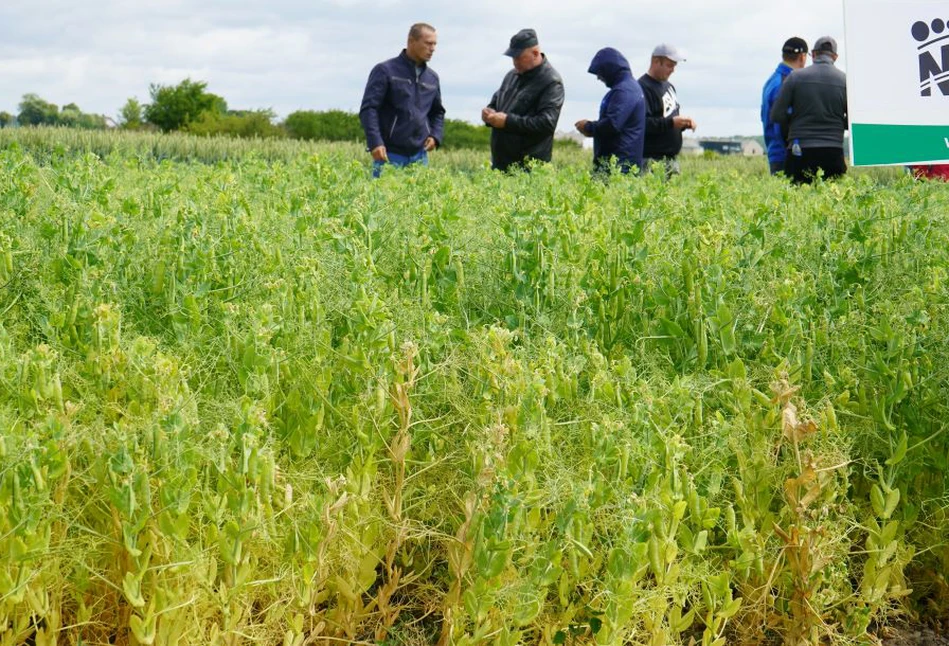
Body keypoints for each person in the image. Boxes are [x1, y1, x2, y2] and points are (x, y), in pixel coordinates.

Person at [359, 23, 445, 177]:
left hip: (420, 156)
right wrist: (375, 143)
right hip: (389, 154)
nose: (433, 49)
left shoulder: (432, 78)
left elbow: (437, 112)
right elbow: (369, 109)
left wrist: (435, 136)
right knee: (384, 200)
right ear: (411, 41)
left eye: (434, 44)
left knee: (419, 200)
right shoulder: (385, 70)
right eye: (428, 43)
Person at [482, 28, 565, 172]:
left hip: (528, 169)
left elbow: (547, 123)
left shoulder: (551, 82)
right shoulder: (511, 76)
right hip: (501, 164)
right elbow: (496, 102)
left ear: (535, 53)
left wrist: (507, 121)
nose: (514, 62)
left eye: (518, 57)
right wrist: (489, 113)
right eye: (512, 57)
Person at [769, 36, 848, 184]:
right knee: (832, 202)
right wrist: (835, 122)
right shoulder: (845, 81)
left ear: (814, 54)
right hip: (833, 151)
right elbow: (850, 121)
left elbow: (776, 115)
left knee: (797, 202)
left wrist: (797, 122)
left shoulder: (794, 77)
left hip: (800, 151)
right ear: (835, 57)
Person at [575, 47, 646, 176]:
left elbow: (613, 124)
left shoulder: (623, 91)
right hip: (624, 165)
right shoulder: (630, 88)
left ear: (609, 70)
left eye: (600, 72)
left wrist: (588, 127)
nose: (598, 77)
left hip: (618, 168)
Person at [639, 43, 696, 177]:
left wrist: (682, 124)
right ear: (656, 62)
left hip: (671, 160)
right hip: (652, 160)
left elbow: (669, 118)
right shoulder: (642, 87)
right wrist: (671, 123)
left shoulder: (669, 87)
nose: (673, 70)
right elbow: (642, 123)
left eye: (675, 66)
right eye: (670, 65)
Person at [761, 37, 809, 175]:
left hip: (774, 151)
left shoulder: (771, 81)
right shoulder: (786, 83)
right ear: (802, 57)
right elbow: (782, 123)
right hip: (786, 154)